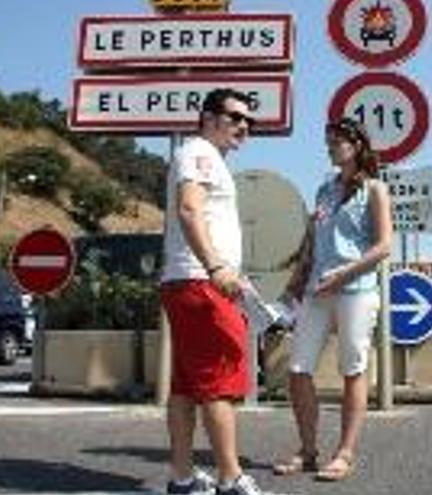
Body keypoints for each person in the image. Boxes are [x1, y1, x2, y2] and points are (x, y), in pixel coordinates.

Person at [159, 87, 267, 495]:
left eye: (249, 121)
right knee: (221, 381)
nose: (243, 126)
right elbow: (189, 209)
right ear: (207, 117)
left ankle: (182, 478)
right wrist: (217, 266)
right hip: (201, 282)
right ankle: (230, 478)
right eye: (235, 116)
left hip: (189, 280)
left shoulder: (205, 157)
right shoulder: (200, 153)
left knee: (187, 387)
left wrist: (230, 272)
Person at [273, 117, 393, 482]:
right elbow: (312, 242)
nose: (330, 147)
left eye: (337, 141)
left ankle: (345, 453)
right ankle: (308, 451)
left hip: (355, 291)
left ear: (356, 145)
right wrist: (296, 281)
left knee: (352, 370)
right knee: (298, 370)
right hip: (315, 290)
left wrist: (344, 274)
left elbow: (384, 246)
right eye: (328, 141)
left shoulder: (375, 189)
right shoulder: (324, 189)